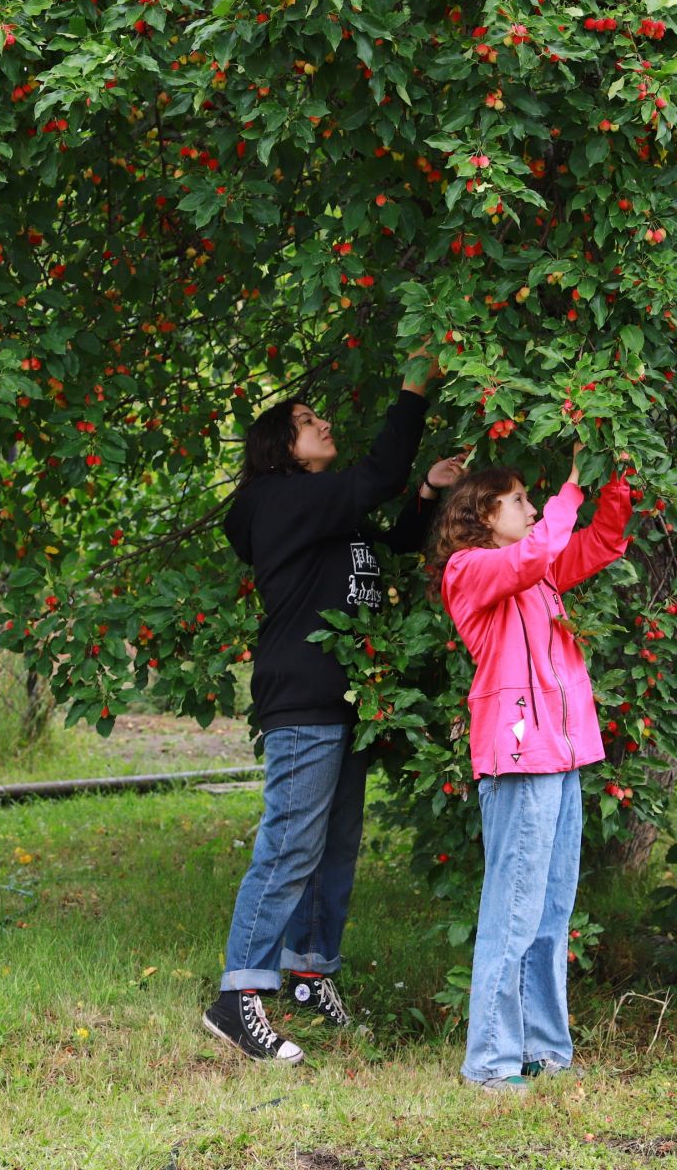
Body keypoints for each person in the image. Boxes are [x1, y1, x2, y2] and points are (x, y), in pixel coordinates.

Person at [203, 348, 467, 1063]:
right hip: (305, 697)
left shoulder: (323, 515)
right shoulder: (277, 501)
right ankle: (238, 996)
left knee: (333, 844)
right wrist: (415, 384)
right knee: (290, 843)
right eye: (306, 420)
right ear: (279, 449)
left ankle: (310, 972)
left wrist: (422, 496)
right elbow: (373, 476)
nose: (322, 424)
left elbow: (384, 545)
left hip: (347, 700)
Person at [431, 445, 632, 1092]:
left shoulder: (537, 573)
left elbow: (600, 541)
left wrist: (612, 479)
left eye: (529, 498)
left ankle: (544, 1050)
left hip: (562, 754)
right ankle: (489, 1062)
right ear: (483, 515)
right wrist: (570, 491)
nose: (530, 505)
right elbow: (535, 552)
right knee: (514, 909)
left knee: (549, 910)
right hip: (520, 757)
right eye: (517, 498)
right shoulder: (470, 569)